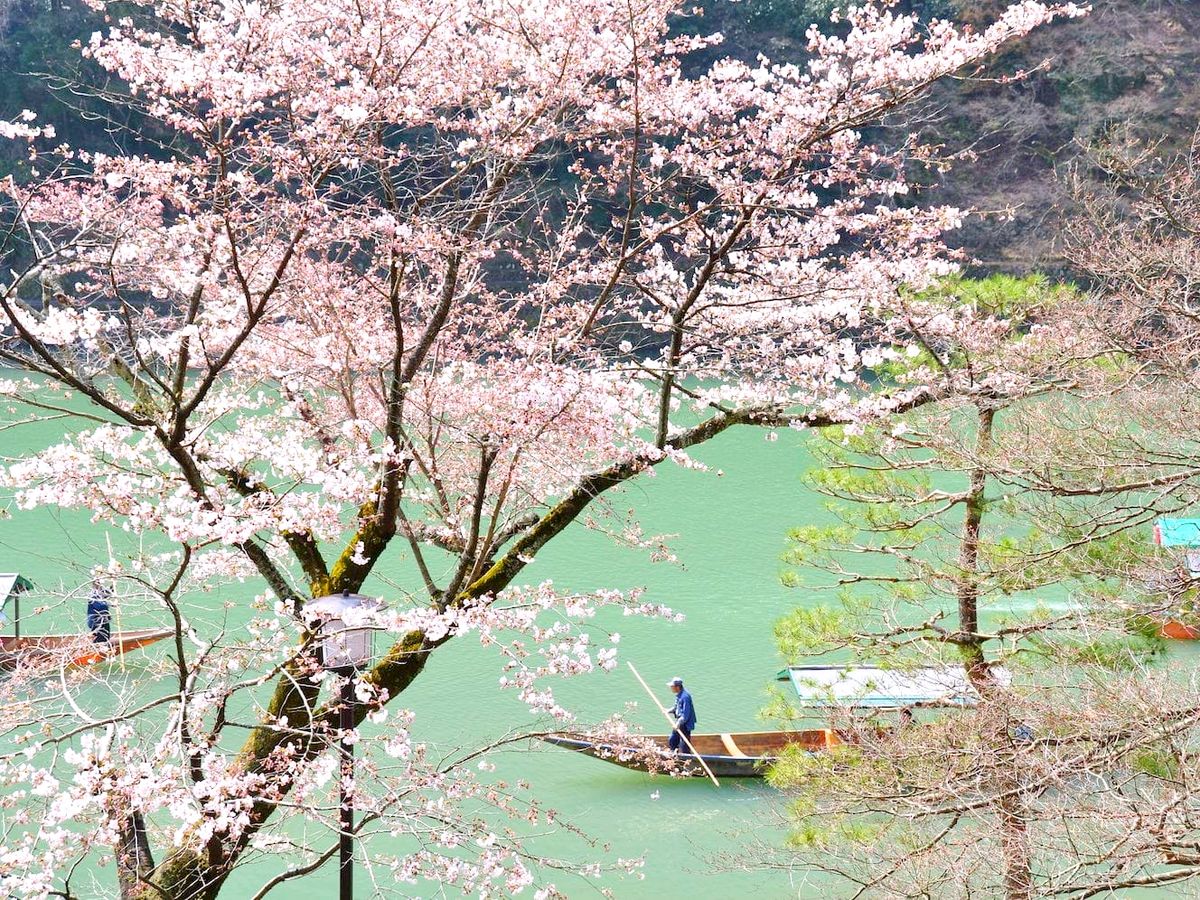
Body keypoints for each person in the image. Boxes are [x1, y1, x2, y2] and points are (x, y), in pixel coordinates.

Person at [666, 677, 696, 753]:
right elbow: (676, 708)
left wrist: (678, 723)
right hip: (679, 721)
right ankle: (673, 754)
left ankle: (686, 759)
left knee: (684, 744)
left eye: (672, 687)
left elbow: (685, 715)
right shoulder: (679, 695)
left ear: (677, 687)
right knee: (672, 740)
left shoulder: (685, 697)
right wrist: (668, 711)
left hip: (685, 724)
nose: (671, 688)